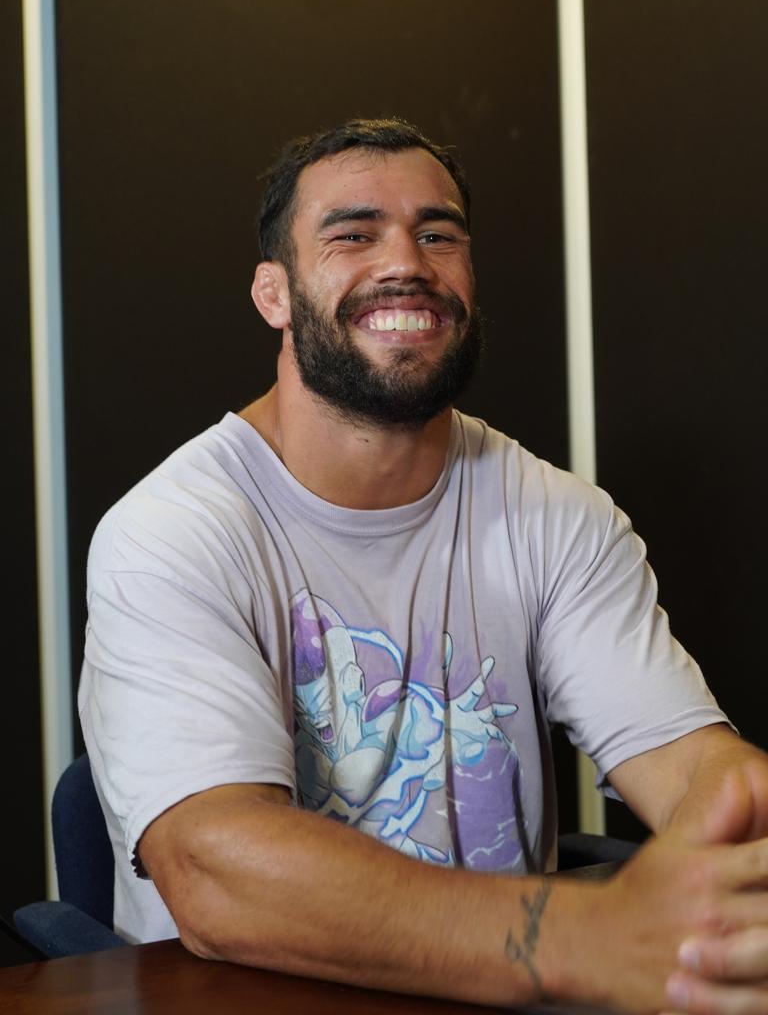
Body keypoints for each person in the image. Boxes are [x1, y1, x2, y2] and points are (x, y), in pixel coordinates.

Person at [79, 117, 768, 1014]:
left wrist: (729, 828)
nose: (406, 261)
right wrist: (583, 935)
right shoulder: (170, 534)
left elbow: (693, 768)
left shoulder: (556, 517)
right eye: (354, 234)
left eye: (437, 233)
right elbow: (215, 871)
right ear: (273, 294)